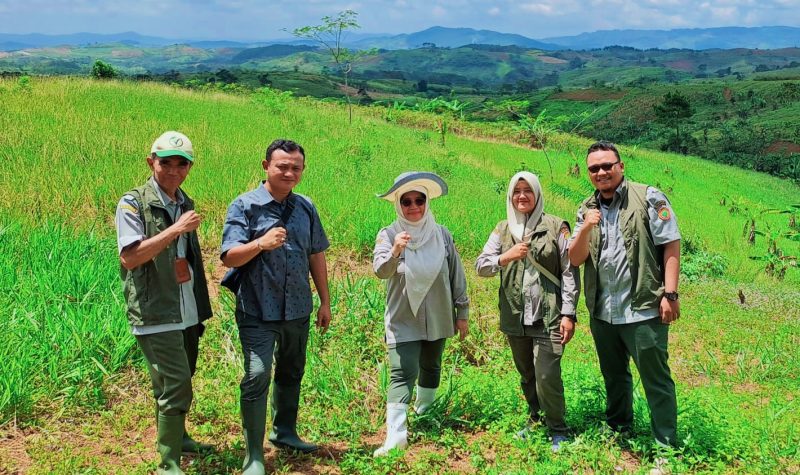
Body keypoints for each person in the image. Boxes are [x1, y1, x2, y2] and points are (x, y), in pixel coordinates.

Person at [221, 139, 331, 475]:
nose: (289, 172)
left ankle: (285, 432)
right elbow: (229, 256)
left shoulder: (306, 207)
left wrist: (325, 300)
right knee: (257, 375)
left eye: (295, 167)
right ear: (266, 165)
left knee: (291, 370)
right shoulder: (245, 206)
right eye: (282, 165)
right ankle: (254, 455)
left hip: (298, 306)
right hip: (257, 308)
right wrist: (260, 243)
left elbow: (316, 253)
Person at [568, 141, 681, 448]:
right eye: (594, 168)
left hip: (643, 308)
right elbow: (575, 259)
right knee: (614, 376)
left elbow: (670, 244)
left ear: (621, 166)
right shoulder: (586, 208)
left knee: (655, 380)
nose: (601, 172)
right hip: (603, 311)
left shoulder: (648, 197)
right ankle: (620, 428)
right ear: (589, 173)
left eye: (607, 165)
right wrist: (584, 229)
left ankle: (665, 446)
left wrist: (669, 294)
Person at [115, 131, 213, 475]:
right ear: (150, 162)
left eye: (181, 163)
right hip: (156, 309)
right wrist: (174, 230)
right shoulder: (133, 203)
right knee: (176, 385)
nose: (173, 170)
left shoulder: (184, 201)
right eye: (165, 162)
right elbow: (130, 258)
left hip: (186, 306)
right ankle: (168, 463)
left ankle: (180, 437)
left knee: (179, 378)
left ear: (190, 167)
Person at [475, 171, 579, 452]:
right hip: (515, 315)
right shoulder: (502, 228)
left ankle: (558, 428)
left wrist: (569, 313)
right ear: (510, 196)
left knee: (547, 374)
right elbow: (481, 265)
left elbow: (569, 272)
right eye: (516, 191)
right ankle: (535, 419)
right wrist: (504, 257)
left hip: (549, 315)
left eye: (527, 190)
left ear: (537, 194)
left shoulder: (557, 226)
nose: (522, 196)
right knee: (527, 374)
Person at [371, 172, 470, 457]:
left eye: (419, 200)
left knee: (431, 365)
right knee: (402, 372)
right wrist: (395, 251)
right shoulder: (388, 234)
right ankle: (396, 436)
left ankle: (425, 412)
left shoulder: (442, 235)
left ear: (427, 203)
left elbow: (456, 277)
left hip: (440, 315)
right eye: (407, 201)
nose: (413, 206)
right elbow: (381, 271)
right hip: (403, 319)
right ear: (398, 205)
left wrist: (461, 313)